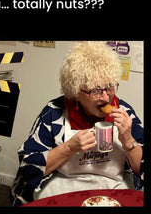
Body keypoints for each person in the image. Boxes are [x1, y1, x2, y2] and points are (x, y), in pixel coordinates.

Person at [11, 42, 144, 206]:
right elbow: (28, 168)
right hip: (62, 188)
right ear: (74, 91)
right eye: (95, 90)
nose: (105, 97)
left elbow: (142, 169)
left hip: (113, 189)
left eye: (109, 87)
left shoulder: (125, 113)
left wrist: (129, 141)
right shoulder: (54, 113)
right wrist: (68, 148)